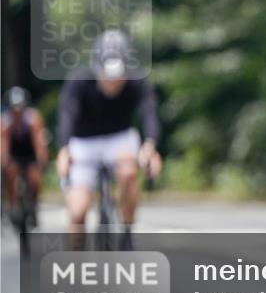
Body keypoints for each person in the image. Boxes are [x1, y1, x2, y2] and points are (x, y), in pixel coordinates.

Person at [56, 29, 162, 250]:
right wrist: (64, 149)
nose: (113, 84)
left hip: (119, 137)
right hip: (83, 141)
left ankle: (126, 228)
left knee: (128, 172)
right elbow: (67, 115)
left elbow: (148, 113)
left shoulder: (137, 81)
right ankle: (76, 270)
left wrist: (150, 146)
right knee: (77, 212)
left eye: (118, 78)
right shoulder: (79, 81)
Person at [1, 86, 49, 228]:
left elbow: (39, 142)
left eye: (20, 108)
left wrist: (42, 161)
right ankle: (12, 204)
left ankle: (33, 207)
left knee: (34, 180)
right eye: (14, 108)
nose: (17, 112)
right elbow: (3, 146)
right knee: (10, 173)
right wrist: (4, 163)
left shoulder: (33, 119)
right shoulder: (5, 122)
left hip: (30, 153)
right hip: (14, 153)